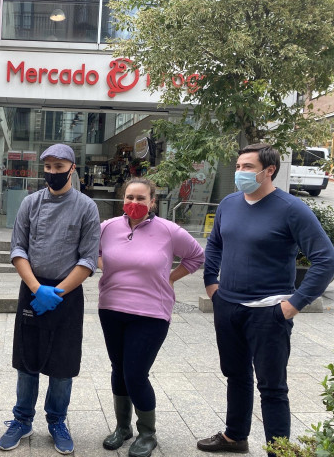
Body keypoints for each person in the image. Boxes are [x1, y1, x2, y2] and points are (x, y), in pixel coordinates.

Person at [197, 143, 334, 455]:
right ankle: (235, 437)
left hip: (269, 313)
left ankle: (278, 450)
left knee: (272, 388)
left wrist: (294, 304)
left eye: (248, 167)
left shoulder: (291, 209)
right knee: (236, 375)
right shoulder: (229, 204)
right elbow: (215, 242)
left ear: (269, 170)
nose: (241, 172)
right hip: (228, 306)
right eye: (239, 166)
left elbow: (326, 259)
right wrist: (211, 283)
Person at [0, 143, 100, 455]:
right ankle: (22, 419)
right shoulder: (30, 203)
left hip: (67, 294)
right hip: (32, 290)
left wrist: (57, 292)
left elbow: (88, 259)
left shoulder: (86, 207)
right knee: (27, 360)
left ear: (72, 169)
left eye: (60, 167)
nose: (53, 173)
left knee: (63, 362)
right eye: (49, 167)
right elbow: (18, 249)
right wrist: (35, 288)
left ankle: (57, 419)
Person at [98, 177, 204, 457]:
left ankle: (148, 433)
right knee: (118, 369)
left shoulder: (169, 231)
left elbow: (196, 257)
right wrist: (107, 269)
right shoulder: (106, 228)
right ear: (123, 199)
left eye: (141, 198)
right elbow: (90, 253)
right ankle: (123, 428)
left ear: (152, 201)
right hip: (111, 309)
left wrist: (169, 279)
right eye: (130, 197)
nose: (134, 203)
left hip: (151, 313)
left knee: (135, 373)